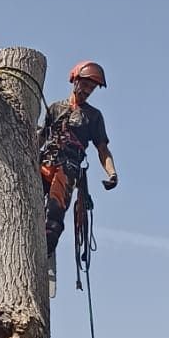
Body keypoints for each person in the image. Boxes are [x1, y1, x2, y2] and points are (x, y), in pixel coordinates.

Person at [39, 61, 118, 271]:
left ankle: (43, 256)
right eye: (85, 85)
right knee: (27, 205)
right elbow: (39, 139)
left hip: (68, 169)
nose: (87, 91)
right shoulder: (55, 108)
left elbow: (102, 149)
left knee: (54, 216)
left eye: (92, 88)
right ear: (75, 80)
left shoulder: (93, 116)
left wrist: (112, 173)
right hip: (44, 164)